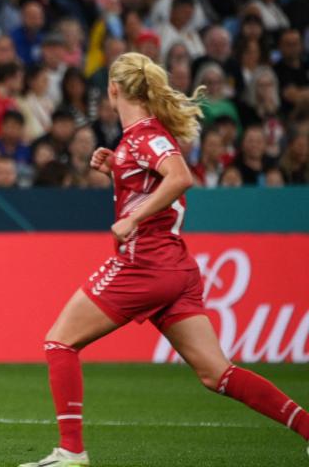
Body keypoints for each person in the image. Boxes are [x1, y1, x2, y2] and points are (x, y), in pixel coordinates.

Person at [19, 52, 309, 467]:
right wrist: (113, 172)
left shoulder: (143, 137)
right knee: (217, 373)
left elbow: (179, 177)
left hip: (145, 264)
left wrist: (132, 218)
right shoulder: (136, 139)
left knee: (59, 341)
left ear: (114, 90)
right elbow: (156, 182)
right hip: (177, 268)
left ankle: (72, 451)